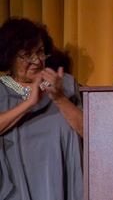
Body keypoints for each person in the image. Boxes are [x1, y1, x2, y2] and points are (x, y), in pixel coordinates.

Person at [0, 17, 83, 200]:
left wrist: (59, 98)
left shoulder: (65, 84)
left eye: (40, 52)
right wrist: (29, 103)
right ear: (10, 56)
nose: (37, 61)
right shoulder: (2, 88)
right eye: (27, 55)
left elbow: (91, 133)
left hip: (64, 185)